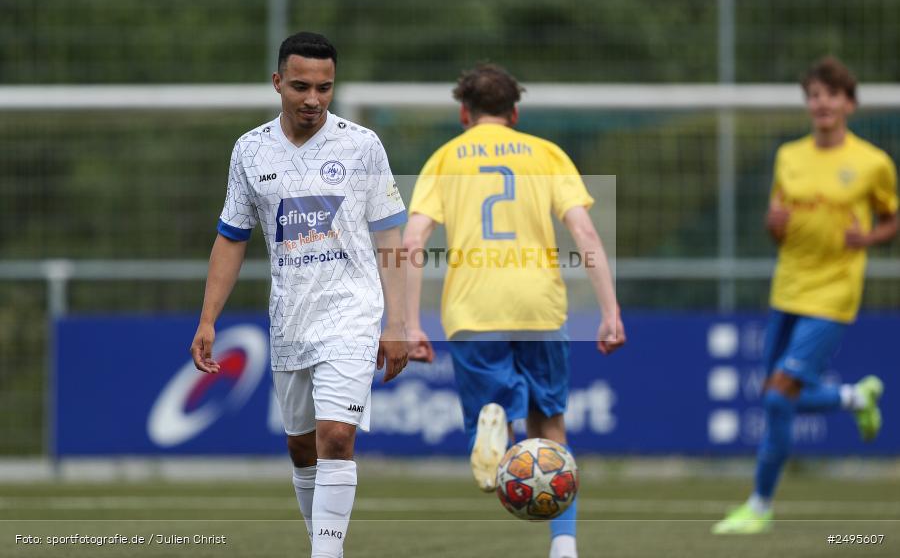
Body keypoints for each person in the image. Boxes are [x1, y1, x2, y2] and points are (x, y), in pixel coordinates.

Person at [189, 31, 409, 558]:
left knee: (337, 434)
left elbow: (390, 236)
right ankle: (322, 542)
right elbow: (231, 237)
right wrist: (207, 320)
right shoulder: (250, 150)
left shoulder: (362, 145)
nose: (314, 99)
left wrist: (399, 321)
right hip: (291, 318)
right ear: (277, 82)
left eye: (325, 88)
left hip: (353, 310)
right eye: (301, 86)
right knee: (302, 445)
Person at [402, 63, 625, 558]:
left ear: (464, 112)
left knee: (490, 412)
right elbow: (585, 234)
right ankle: (563, 546)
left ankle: (494, 429)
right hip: (538, 305)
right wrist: (610, 310)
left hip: (473, 309)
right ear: (515, 112)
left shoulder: (445, 158)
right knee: (550, 425)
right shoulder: (546, 154)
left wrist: (410, 322)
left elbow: (414, 240)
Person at [713, 56, 898, 534]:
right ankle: (856, 397)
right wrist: (773, 228)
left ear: (849, 104)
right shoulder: (789, 156)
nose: (822, 103)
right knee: (773, 395)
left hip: (834, 292)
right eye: (814, 95)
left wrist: (869, 239)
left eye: (832, 94)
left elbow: (892, 220)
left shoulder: (872, 163)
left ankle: (758, 506)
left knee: (778, 398)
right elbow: (779, 225)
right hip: (788, 286)